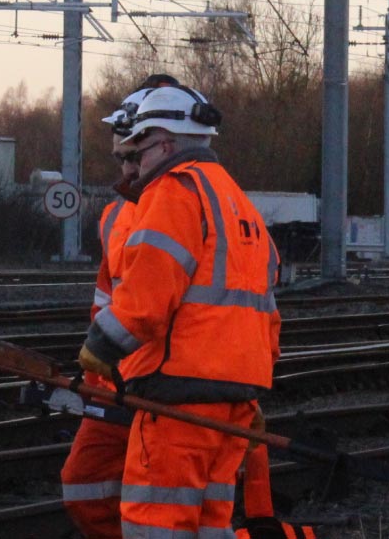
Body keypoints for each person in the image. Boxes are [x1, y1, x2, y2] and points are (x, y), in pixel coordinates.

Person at [78, 84, 284, 538]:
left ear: (165, 142)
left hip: (179, 393)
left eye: (140, 149)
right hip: (236, 396)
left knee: (157, 521)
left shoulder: (175, 190)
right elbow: (266, 312)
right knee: (210, 521)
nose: (135, 165)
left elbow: (148, 296)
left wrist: (101, 346)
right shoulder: (237, 201)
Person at [58, 88, 154, 538]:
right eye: (121, 158)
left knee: (171, 510)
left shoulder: (188, 206)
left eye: (134, 156)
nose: (127, 168)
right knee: (85, 486)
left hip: (165, 388)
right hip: (117, 385)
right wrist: (97, 383)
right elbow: (106, 299)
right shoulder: (115, 217)